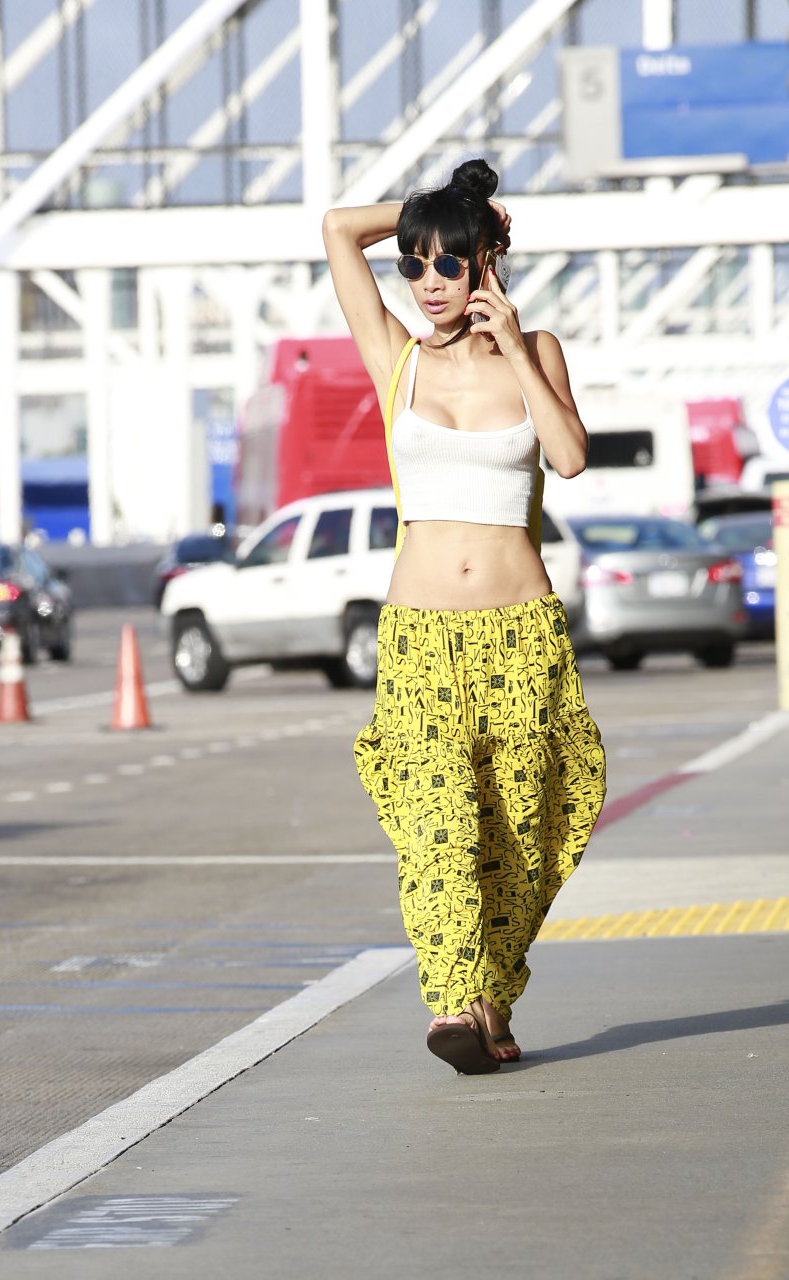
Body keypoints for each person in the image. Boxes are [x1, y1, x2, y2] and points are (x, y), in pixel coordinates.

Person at [322, 158, 607, 1074]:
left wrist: (515, 345)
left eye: (449, 262)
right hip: (418, 640)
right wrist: (447, 211)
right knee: (438, 826)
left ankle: (493, 996)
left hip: (521, 637)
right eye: (413, 264)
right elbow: (338, 229)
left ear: (488, 263)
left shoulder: (539, 351)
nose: (428, 282)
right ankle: (453, 1005)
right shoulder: (397, 356)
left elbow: (569, 459)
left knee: (524, 834)